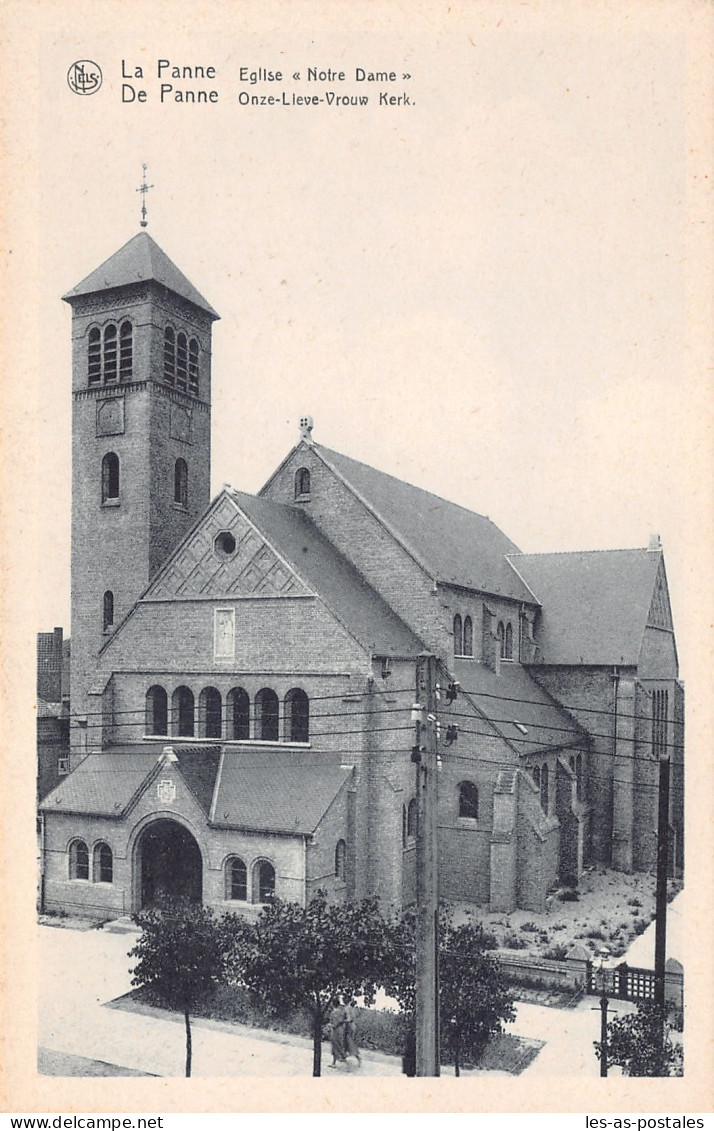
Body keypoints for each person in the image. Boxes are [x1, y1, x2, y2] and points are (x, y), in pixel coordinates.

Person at [328, 996, 347, 1067]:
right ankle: (334, 1063)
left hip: (335, 1030)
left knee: (336, 1046)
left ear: (333, 1004)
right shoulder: (341, 1011)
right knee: (338, 1045)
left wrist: (331, 1025)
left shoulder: (333, 1012)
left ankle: (342, 1060)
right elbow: (342, 1020)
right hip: (340, 1030)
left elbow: (335, 1023)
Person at [344, 998, 361, 1066]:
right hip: (352, 1026)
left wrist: (342, 1021)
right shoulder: (353, 1009)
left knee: (349, 1042)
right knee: (349, 1042)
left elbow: (349, 1019)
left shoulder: (347, 1008)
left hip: (349, 1026)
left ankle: (357, 1058)